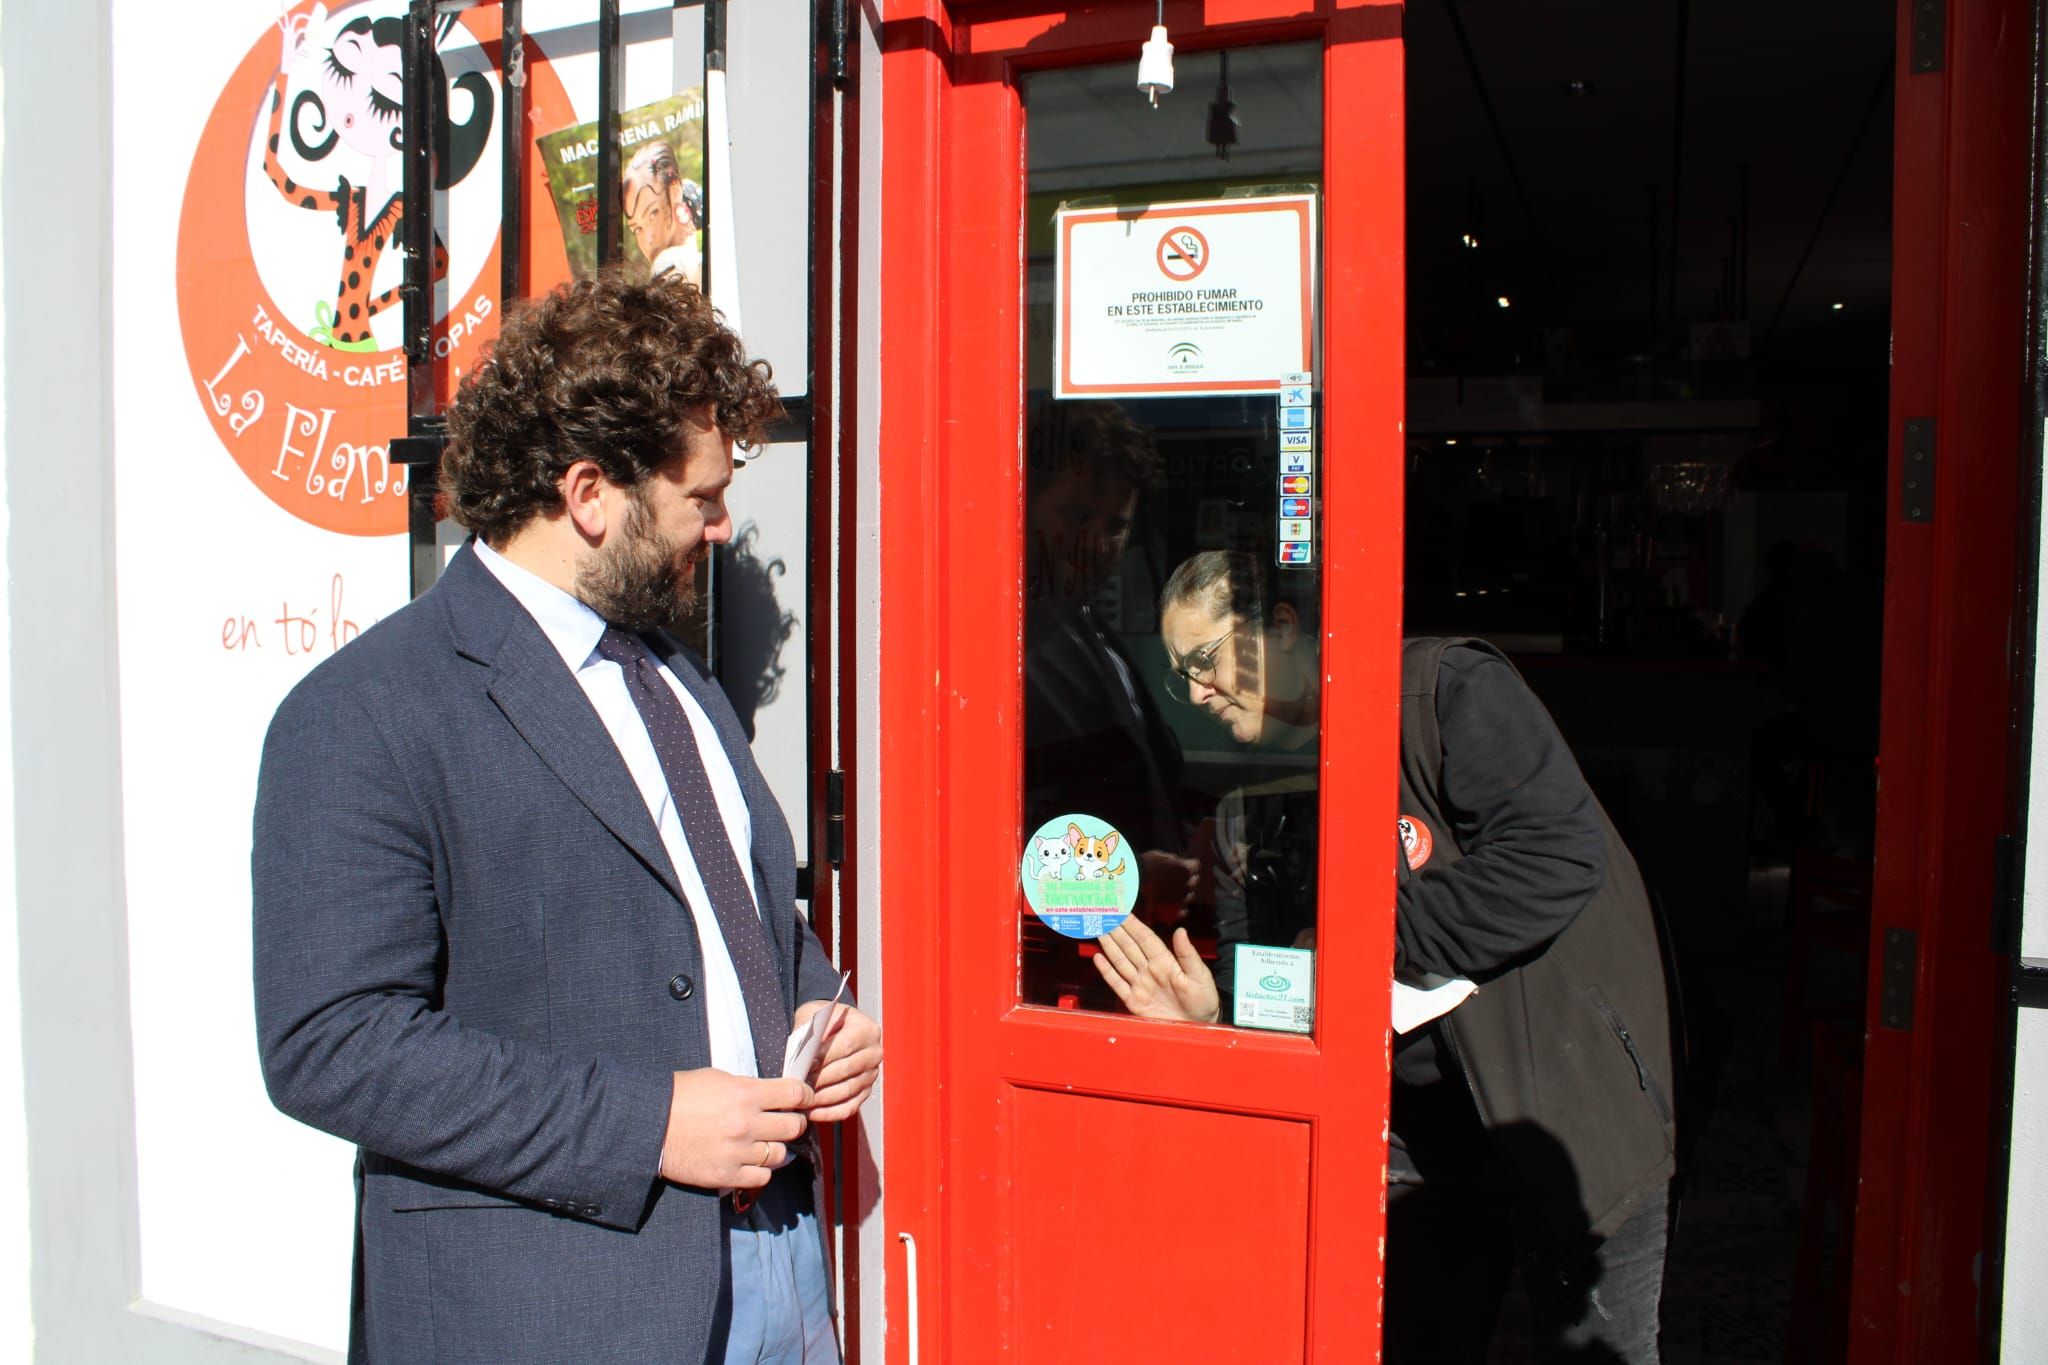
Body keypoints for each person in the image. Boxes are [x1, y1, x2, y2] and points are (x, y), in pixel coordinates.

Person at [253, 270, 880, 1364]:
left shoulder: (675, 676)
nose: (723, 528)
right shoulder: (366, 712)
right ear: (591, 493)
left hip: (778, 1266)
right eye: (702, 497)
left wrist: (817, 1003)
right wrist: (647, 1126)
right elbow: (331, 1044)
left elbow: (730, 901)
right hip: (557, 1304)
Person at [1097, 549, 1675, 1364]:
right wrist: (1212, 1017)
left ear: (1281, 629)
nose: (1194, 692)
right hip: (1417, 1144)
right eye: (1176, 674)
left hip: (1566, 1102)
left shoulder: (1443, 690)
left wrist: (1350, 944)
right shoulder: (1245, 808)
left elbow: (1555, 857)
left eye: (1204, 659)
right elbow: (1274, 991)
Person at [1021, 401, 1194, 1007]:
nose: (1094, 543)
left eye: (1115, 526)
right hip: (1062, 973)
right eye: (1073, 515)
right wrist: (1136, 874)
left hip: (1132, 959)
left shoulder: (1086, 626)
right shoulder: (1008, 647)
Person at [624, 139, 706, 290]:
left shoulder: (668, 263)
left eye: (653, 214)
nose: (648, 239)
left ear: (674, 191)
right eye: (637, 229)